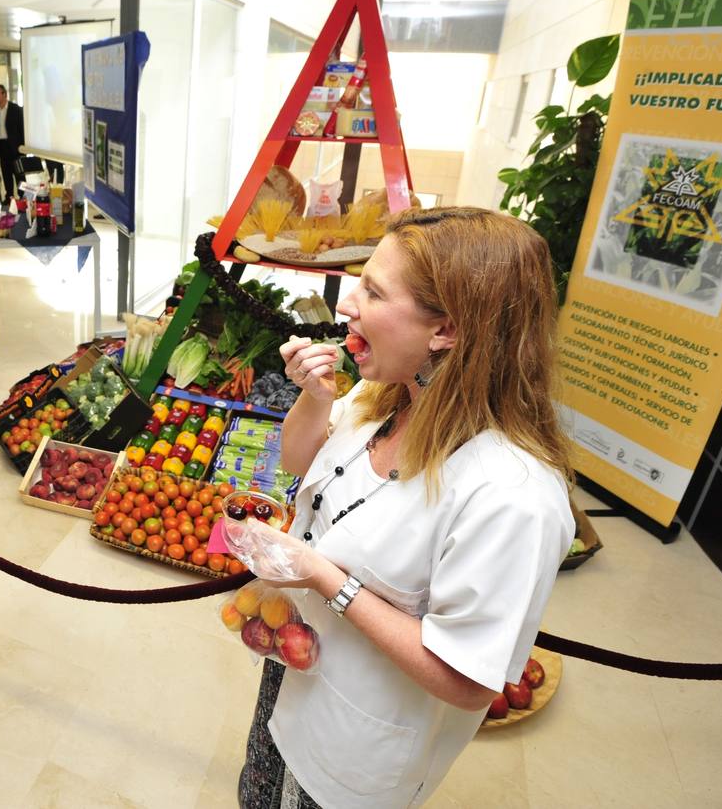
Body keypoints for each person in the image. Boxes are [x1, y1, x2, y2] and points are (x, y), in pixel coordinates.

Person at [236, 207, 575, 808]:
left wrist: (321, 574)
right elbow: (296, 463)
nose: (346, 306)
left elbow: (467, 682)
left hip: (361, 744)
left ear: (444, 331)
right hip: (295, 665)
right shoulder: (383, 392)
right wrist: (315, 400)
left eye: (372, 290)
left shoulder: (515, 496)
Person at [0, 84, 29, 202]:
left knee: (19, 173)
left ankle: (23, 196)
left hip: (15, 146)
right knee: (6, 172)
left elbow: (22, 129)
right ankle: (9, 196)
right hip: (2, 146)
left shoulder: (15, 109)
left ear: (4, 94)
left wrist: (23, 147)